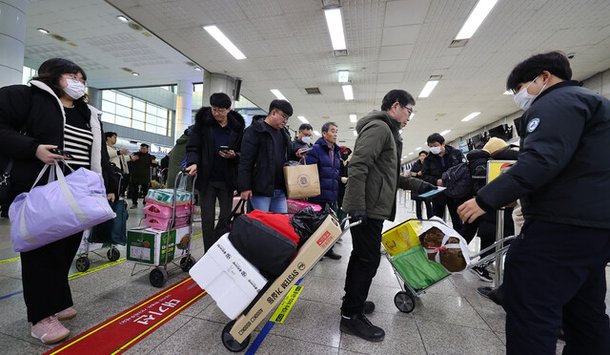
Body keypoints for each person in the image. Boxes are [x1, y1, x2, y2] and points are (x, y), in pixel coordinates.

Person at [458, 51, 610, 354]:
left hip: (559, 226)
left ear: (544, 77)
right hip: (597, 228)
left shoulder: (555, 103)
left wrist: (485, 199)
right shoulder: (598, 105)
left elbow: (542, 159)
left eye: (520, 88)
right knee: (586, 313)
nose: (520, 96)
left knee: (531, 308)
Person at [0, 58, 117, 344]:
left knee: (66, 248)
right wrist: (32, 148)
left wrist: (109, 185)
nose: (78, 82)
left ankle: (57, 300)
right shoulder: (26, 96)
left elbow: (97, 152)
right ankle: (41, 317)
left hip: (77, 193)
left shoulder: (88, 113)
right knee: (41, 252)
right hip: (39, 189)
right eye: (72, 76)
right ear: (52, 76)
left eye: (82, 78)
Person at [340, 89, 436, 342]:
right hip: (367, 207)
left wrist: (418, 185)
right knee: (368, 259)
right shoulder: (380, 129)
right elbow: (358, 165)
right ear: (396, 106)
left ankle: (353, 303)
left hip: (373, 206)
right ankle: (351, 317)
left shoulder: (389, 133)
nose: (409, 117)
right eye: (409, 111)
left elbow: (387, 175)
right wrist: (357, 205)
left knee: (362, 256)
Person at [185, 93, 245, 252]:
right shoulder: (203, 125)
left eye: (221, 110)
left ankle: (216, 247)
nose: (217, 113)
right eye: (214, 109)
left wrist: (234, 155)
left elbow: (242, 152)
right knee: (207, 219)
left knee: (225, 216)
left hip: (226, 179)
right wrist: (193, 163)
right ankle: (208, 253)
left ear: (229, 110)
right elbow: (193, 147)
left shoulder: (237, 127)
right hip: (207, 179)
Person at [464, 137, 519, 282]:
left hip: (486, 207)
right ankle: (482, 265)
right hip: (499, 208)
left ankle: (482, 264)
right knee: (506, 239)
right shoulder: (505, 159)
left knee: (488, 238)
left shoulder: (478, 162)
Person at [238, 99, 293, 213]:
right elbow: (245, 161)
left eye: (287, 118)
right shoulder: (254, 131)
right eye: (283, 116)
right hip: (260, 189)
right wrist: (245, 187)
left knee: (280, 225)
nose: (285, 121)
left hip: (280, 189)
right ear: (273, 113)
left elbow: (288, 156)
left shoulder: (284, 134)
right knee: (261, 226)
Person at [304, 122, 342, 260]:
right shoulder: (315, 149)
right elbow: (309, 170)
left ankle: (328, 249)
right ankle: (313, 252)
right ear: (324, 133)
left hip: (332, 193)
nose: (335, 134)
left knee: (330, 223)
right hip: (318, 194)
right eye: (332, 131)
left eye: (336, 131)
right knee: (317, 224)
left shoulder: (336, 152)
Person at [422, 133, 466, 232]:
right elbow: (425, 176)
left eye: (436, 145)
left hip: (455, 193)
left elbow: (464, 171)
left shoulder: (456, 154)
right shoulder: (428, 159)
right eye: (431, 146)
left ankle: (459, 241)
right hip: (438, 193)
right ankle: (437, 241)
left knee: (457, 220)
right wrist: (436, 181)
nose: (433, 148)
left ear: (443, 144)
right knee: (437, 220)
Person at [129, 143, 156, 209]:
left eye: (144, 148)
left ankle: (146, 203)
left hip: (145, 177)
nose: (142, 150)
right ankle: (134, 203)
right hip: (135, 176)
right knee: (134, 190)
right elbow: (130, 162)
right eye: (141, 148)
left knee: (145, 191)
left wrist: (155, 163)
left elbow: (154, 165)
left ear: (147, 149)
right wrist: (132, 160)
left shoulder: (150, 156)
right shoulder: (135, 154)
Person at [409, 150, 433, 219]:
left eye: (424, 156)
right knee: (418, 204)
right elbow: (411, 173)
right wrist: (417, 174)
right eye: (421, 156)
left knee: (428, 203)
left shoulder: (429, 164)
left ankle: (430, 218)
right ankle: (419, 218)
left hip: (426, 186)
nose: (422, 157)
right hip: (418, 187)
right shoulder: (415, 164)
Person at [105, 131, 129, 196]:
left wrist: (130, 157)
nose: (116, 139)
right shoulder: (104, 147)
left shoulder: (114, 148)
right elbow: (106, 155)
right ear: (108, 138)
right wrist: (118, 152)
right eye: (114, 137)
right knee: (112, 189)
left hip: (118, 171)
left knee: (117, 189)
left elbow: (120, 158)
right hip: (111, 172)